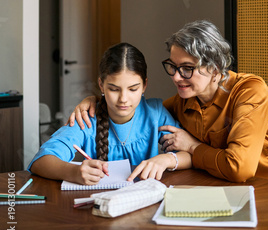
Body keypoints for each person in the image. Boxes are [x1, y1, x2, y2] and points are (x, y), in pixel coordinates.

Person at [69, 20, 268, 188]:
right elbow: (137, 107)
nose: (176, 77)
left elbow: (239, 168)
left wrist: (192, 147)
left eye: (187, 69)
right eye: (173, 66)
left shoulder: (250, 92)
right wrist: (96, 100)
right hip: (220, 191)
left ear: (215, 67)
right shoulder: (184, 100)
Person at [29, 43, 191, 185]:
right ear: (101, 85)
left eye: (133, 89)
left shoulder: (155, 113)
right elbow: (40, 161)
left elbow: (189, 155)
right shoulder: (87, 117)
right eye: (114, 89)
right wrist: (72, 172)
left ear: (144, 86)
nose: (123, 99)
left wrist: (166, 159)